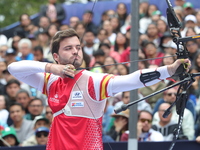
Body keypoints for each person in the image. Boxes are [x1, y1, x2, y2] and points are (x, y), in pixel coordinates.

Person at [8, 28, 190, 149]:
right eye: (68, 48)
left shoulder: (93, 81)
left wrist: (170, 70)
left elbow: (131, 80)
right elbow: (13, 68)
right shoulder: (50, 81)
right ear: (56, 56)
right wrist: (50, 68)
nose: (75, 52)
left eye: (78, 47)